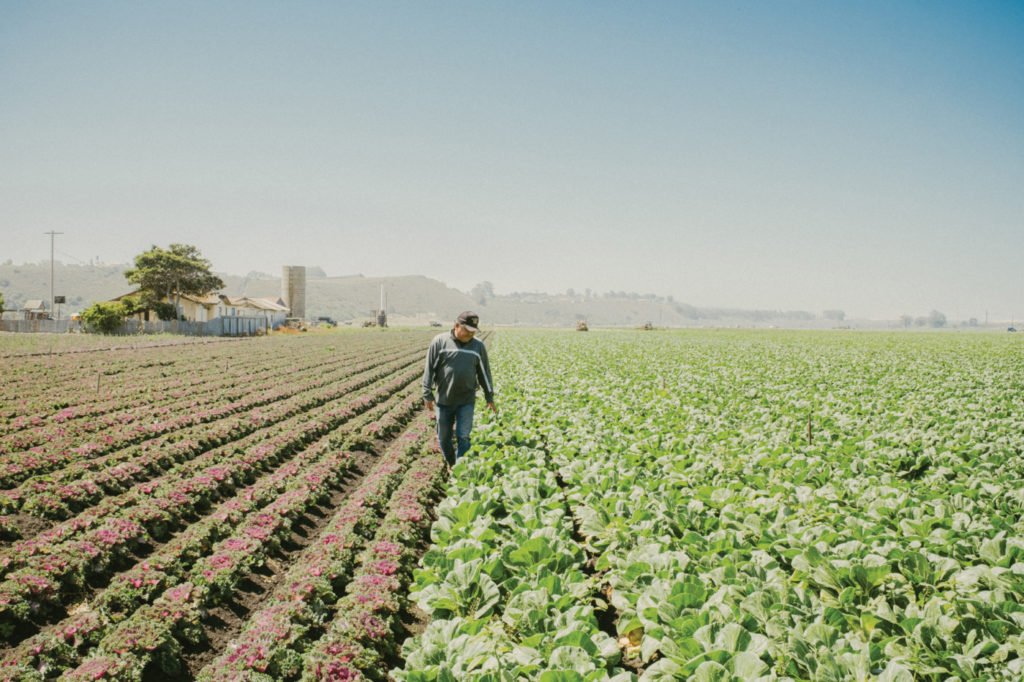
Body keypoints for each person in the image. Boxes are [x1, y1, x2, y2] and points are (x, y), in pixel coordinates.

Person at [422, 311, 496, 466]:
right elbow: (429, 369)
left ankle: (459, 469)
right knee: (443, 438)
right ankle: (451, 463)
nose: (470, 334)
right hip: (444, 400)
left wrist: (489, 396)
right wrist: (427, 393)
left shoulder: (478, 346)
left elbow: (484, 373)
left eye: (473, 331)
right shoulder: (440, 342)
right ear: (456, 325)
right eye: (467, 330)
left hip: (466, 401)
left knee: (464, 436)